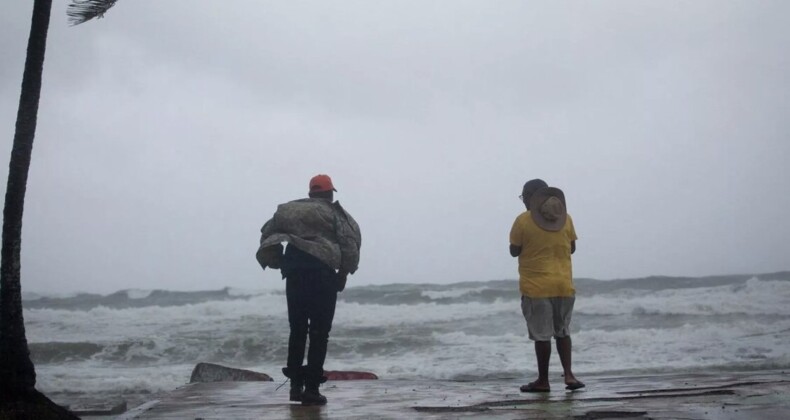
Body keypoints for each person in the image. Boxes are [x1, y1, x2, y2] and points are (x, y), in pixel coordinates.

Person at [256, 174, 361, 405]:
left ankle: (295, 387)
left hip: (295, 277)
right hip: (323, 278)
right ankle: (312, 390)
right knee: (319, 334)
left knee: (298, 330)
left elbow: (266, 232)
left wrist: (279, 260)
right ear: (329, 193)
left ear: (311, 193)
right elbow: (349, 243)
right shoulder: (335, 214)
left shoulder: (289, 211)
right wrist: (343, 273)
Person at [509, 179, 584, 393]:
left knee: (542, 335)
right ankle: (569, 375)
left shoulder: (523, 221)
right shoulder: (565, 219)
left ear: (532, 197)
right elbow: (572, 248)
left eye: (524, 196)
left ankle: (543, 381)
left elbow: (514, 250)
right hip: (564, 285)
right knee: (562, 331)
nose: (523, 201)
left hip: (536, 286)